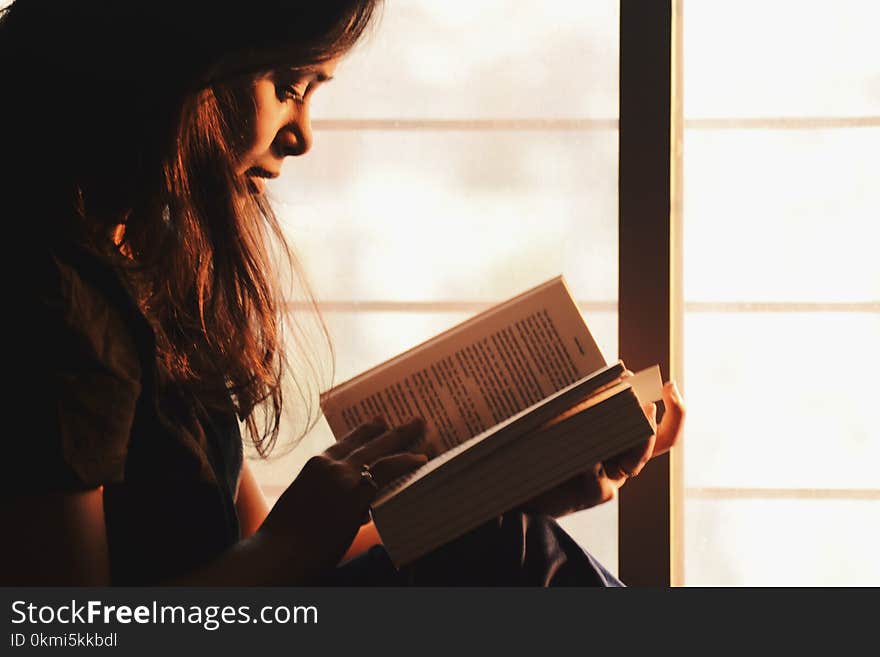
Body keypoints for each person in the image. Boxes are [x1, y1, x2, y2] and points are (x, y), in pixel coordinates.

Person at [0, 0, 684, 586]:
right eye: (291, 84)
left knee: (507, 542)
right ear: (179, 58)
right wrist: (289, 544)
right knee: (515, 556)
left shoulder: (148, 265)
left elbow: (260, 557)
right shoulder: (48, 302)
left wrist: (512, 491)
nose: (301, 136)